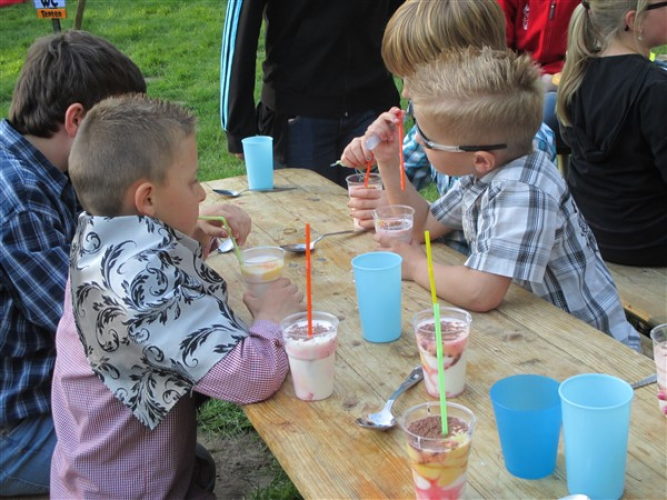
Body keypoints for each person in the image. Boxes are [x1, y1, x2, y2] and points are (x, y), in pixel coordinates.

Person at [49, 94, 305, 498]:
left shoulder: (101, 238)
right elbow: (250, 377)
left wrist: (187, 236)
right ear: (148, 199)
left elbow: (157, 316)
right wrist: (272, 317)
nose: (201, 194)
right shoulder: (141, 283)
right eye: (191, 182)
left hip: (90, 473)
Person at [361, 47, 640, 351]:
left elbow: (480, 292)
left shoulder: (522, 190)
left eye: (426, 139)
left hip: (592, 349)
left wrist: (417, 266)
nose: (416, 139)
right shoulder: (487, 171)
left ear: (481, 159)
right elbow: (423, 226)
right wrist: (388, 161)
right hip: (540, 330)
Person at [0, 31, 147, 496]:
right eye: (120, 132)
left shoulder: (42, 164)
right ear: (77, 120)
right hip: (16, 423)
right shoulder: (20, 203)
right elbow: (94, 328)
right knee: (159, 449)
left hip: (36, 392)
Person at [341, 0, 556, 254]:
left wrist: (398, 208)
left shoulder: (523, 145)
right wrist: (381, 156)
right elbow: (407, 190)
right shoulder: (438, 128)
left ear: (461, 71)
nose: (406, 92)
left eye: (415, 79)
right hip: (450, 265)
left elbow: (492, 270)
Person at [219, 0, 402, 187]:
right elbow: (240, 25)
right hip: (298, 114)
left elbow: (409, 16)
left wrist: (418, 92)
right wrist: (238, 128)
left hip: (373, 107)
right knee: (304, 206)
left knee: (377, 205)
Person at [556, 0, 667, 267]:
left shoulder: (577, 74)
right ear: (633, 21)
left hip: (591, 234)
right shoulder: (654, 87)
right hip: (648, 242)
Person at [498, 0, 580, 153]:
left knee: (548, 112)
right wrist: (527, 78)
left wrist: (558, 79)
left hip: (568, 81)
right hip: (520, 80)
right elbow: (500, 50)